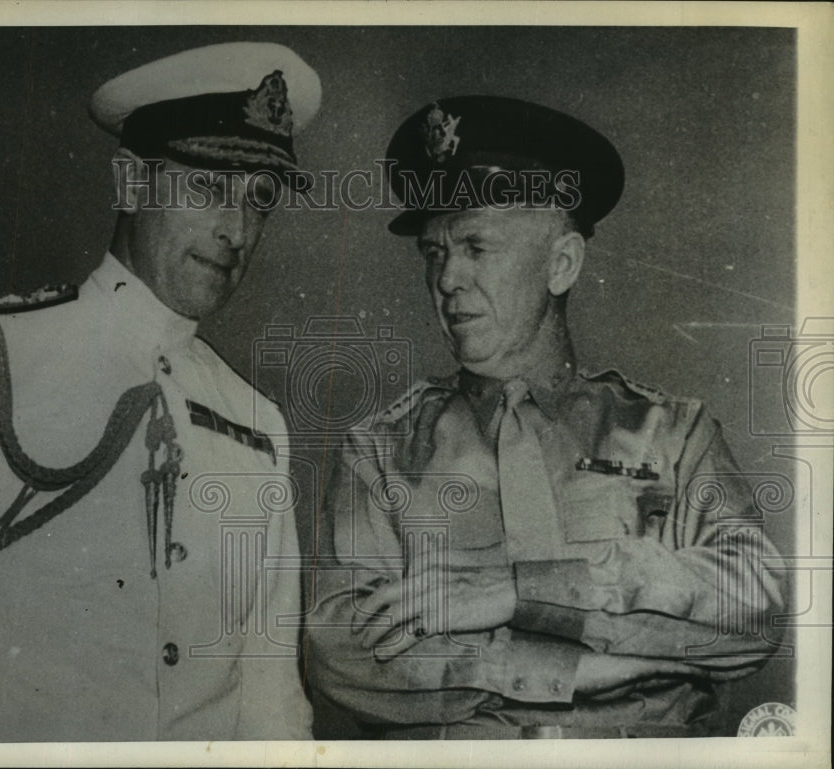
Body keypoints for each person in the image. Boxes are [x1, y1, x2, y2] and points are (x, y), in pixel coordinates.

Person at [0, 42, 320, 742]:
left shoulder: (256, 423)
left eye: (260, 200)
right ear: (131, 183)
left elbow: (270, 705)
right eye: (206, 189)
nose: (235, 230)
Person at [305, 95, 786, 739]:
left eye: (477, 246)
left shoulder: (671, 432)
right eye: (434, 252)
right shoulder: (381, 450)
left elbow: (754, 611)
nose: (448, 278)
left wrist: (521, 592)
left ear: (561, 264)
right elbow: (342, 655)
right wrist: (573, 670)